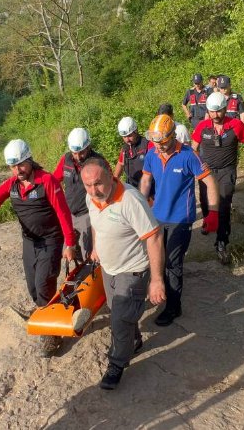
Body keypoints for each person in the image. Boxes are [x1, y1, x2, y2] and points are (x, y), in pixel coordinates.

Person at [0, 139, 77, 356]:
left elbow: (63, 214)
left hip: (51, 241)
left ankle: (52, 337)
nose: (17, 170)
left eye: (21, 164)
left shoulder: (47, 181)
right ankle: (50, 309)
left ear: (30, 160)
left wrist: (69, 243)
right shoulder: (12, 185)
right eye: (13, 166)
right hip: (29, 242)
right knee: (33, 288)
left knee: (44, 284)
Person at [81, 159, 165, 390]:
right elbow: (96, 223)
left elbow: (154, 238)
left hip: (133, 269)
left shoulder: (130, 200)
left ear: (110, 175)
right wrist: (96, 247)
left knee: (118, 320)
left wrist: (157, 280)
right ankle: (135, 339)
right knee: (116, 309)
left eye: (98, 183)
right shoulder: (92, 197)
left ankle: (117, 363)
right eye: (87, 185)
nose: (93, 190)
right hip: (109, 268)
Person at [140, 114, 220, 326]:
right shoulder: (151, 154)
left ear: (172, 136)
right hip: (156, 217)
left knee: (172, 263)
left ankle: (174, 307)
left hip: (180, 219)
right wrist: (141, 202)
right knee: (156, 259)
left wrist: (212, 213)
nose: (159, 147)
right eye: (155, 143)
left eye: (163, 142)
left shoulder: (188, 155)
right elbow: (146, 179)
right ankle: (161, 289)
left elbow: (209, 182)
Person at [192, 92, 244, 264]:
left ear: (225, 109)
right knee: (206, 203)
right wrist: (196, 166)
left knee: (224, 205)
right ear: (208, 110)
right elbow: (193, 148)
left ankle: (221, 243)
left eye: (219, 111)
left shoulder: (236, 125)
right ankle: (209, 221)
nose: (216, 115)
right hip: (207, 173)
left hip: (227, 171)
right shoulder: (202, 126)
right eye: (212, 112)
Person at [52, 128, 108, 259]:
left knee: (88, 253)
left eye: (81, 152)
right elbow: (54, 180)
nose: (78, 157)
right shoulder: (66, 160)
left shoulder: (99, 162)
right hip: (69, 214)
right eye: (75, 153)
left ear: (88, 146)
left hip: (88, 215)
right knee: (70, 252)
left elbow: (109, 186)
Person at [113, 116, 154, 194]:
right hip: (132, 188)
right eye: (124, 137)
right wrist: (114, 181)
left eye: (130, 136)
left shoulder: (148, 145)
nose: (127, 139)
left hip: (150, 189)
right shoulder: (125, 149)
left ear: (136, 131)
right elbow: (120, 164)